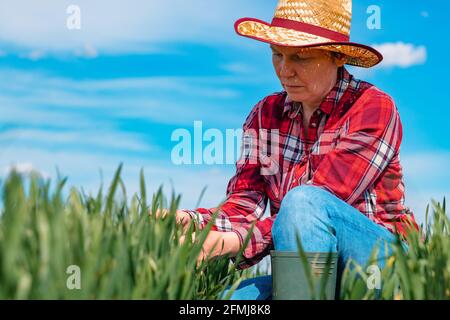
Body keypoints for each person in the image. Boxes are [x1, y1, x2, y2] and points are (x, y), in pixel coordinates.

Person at [159, 0, 418, 299]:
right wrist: (192, 222)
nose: (285, 70)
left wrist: (229, 243)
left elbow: (317, 204)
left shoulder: (372, 107)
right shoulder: (265, 114)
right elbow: (245, 205)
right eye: (277, 54)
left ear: (337, 57)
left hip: (383, 265)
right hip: (311, 270)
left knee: (303, 202)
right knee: (233, 300)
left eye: (301, 58)